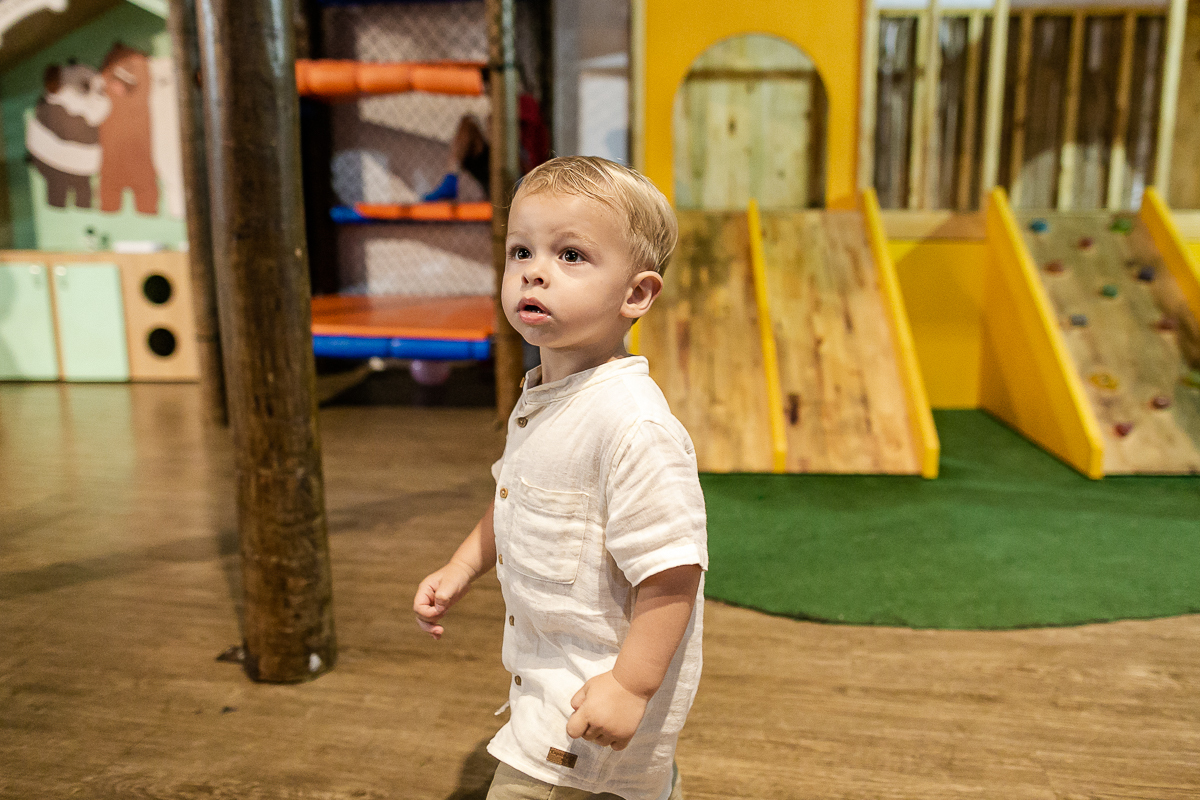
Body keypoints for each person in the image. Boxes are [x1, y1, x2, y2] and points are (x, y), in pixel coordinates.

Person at [413, 156, 707, 800]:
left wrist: (629, 687)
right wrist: (461, 567)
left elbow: (673, 573)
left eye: (571, 255)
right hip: (548, 686)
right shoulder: (543, 395)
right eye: (521, 251)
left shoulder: (633, 426)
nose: (534, 270)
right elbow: (515, 498)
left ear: (636, 294)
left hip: (586, 713)